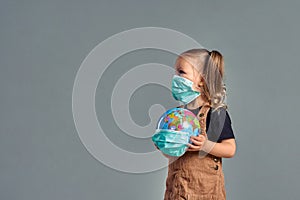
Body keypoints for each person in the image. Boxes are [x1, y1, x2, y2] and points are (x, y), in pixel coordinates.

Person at [161, 48, 236, 199]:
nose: (176, 78)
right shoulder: (177, 115)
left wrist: (205, 145)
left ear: (202, 80)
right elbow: (174, 154)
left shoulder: (215, 113)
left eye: (181, 72)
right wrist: (164, 144)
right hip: (177, 190)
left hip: (205, 193)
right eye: (176, 73)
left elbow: (230, 149)